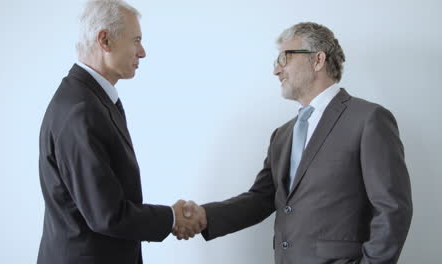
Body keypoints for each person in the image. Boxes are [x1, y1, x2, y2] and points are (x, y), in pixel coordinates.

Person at [177, 22, 413, 263]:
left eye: (283, 59)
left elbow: (392, 209)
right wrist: (204, 216)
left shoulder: (368, 119)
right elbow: (261, 199)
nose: (276, 71)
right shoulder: (282, 135)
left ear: (318, 60)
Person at [37, 1, 205, 263]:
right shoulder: (81, 110)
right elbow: (107, 215)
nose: (143, 52)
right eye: (136, 40)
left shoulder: (88, 99)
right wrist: (172, 218)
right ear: (104, 40)